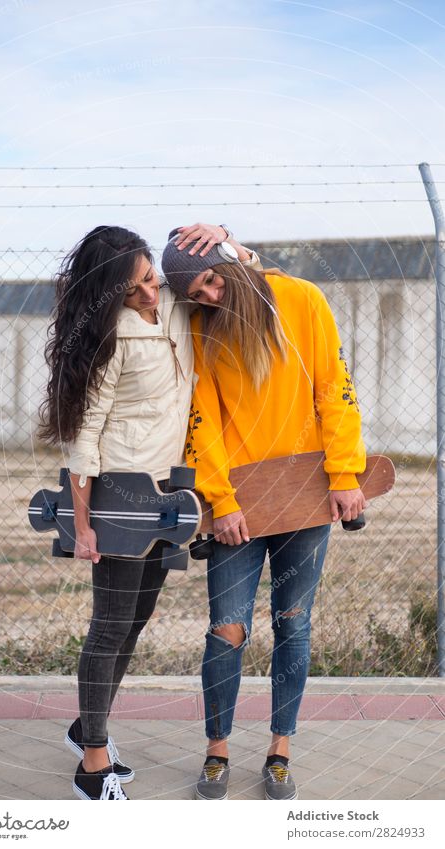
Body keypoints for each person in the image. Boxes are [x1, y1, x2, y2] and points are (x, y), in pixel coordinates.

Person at [37, 223, 261, 800]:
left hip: (168, 498)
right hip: (118, 497)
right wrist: (83, 525)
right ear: (109, 294)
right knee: (109, 628)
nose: (148, 294)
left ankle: (89, 727)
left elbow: (251, 281)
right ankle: (92, 767)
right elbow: (85, 436)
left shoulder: (178, 309)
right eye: (132, 289)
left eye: (150, 279)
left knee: (134, 623)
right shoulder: (108, 338)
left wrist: (227, 238)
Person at [161, 226, 366, 800]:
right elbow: (200, 417)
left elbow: (335, 388)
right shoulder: (204, 328)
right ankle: (217, 751)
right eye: (195, 294)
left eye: (209, 281)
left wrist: (346, 474)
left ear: (230, 259)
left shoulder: (303, 299)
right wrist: (220, 502)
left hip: (305, 495)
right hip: (239, 508)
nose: (208, 297)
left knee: (293, 624)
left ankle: (280, 751)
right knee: (227, 629)